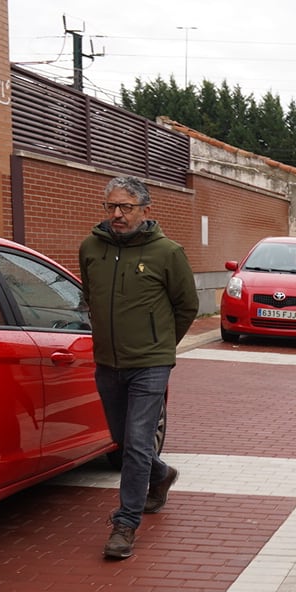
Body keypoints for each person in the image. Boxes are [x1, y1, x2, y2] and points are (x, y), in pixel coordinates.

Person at [79, 176, 198, 561]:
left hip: (150, 363)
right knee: (123, 440)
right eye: (111, 206)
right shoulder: (90, 248)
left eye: (125, 207)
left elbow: (187, 306)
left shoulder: (167, 252)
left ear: (146, 211)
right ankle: (160, 475)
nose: (116, 214)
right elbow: (89, 298)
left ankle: (125, 524)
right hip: (107, 362)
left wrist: (161, 345)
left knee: (137, 441)